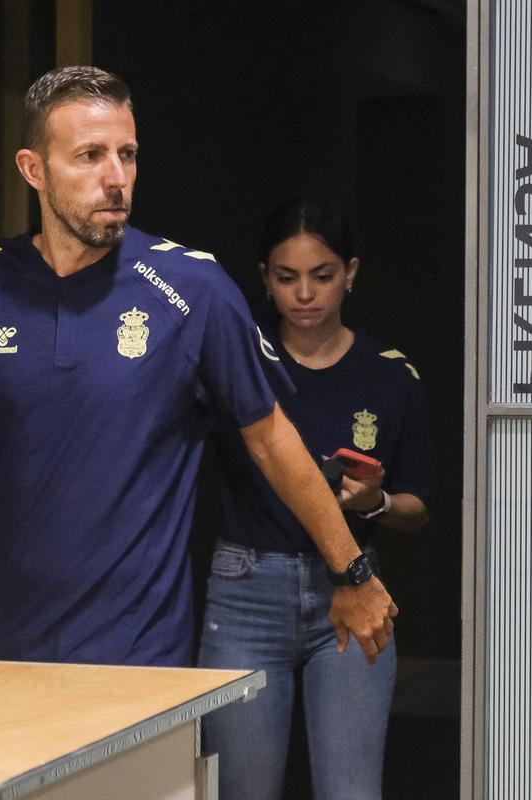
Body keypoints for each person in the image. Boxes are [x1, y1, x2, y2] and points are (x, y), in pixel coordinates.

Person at [0, 66, 397, 668]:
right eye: (90, 156)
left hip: (138, 656)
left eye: (127, 154)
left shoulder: (192, 287)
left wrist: (352, 571)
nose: (116, 178)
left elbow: (270, 437)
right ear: (34, 169)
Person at [198, 198, 431, 800]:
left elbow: (418, 508)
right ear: (264, 281)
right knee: (241, 789)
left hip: (351, 592)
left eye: (322, 276)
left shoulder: (389, 375)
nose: (305, 293)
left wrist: (375, 502)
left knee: (351, 789)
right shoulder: (238, 362)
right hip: (245, 589)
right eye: (286, 277)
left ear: (350, 273)